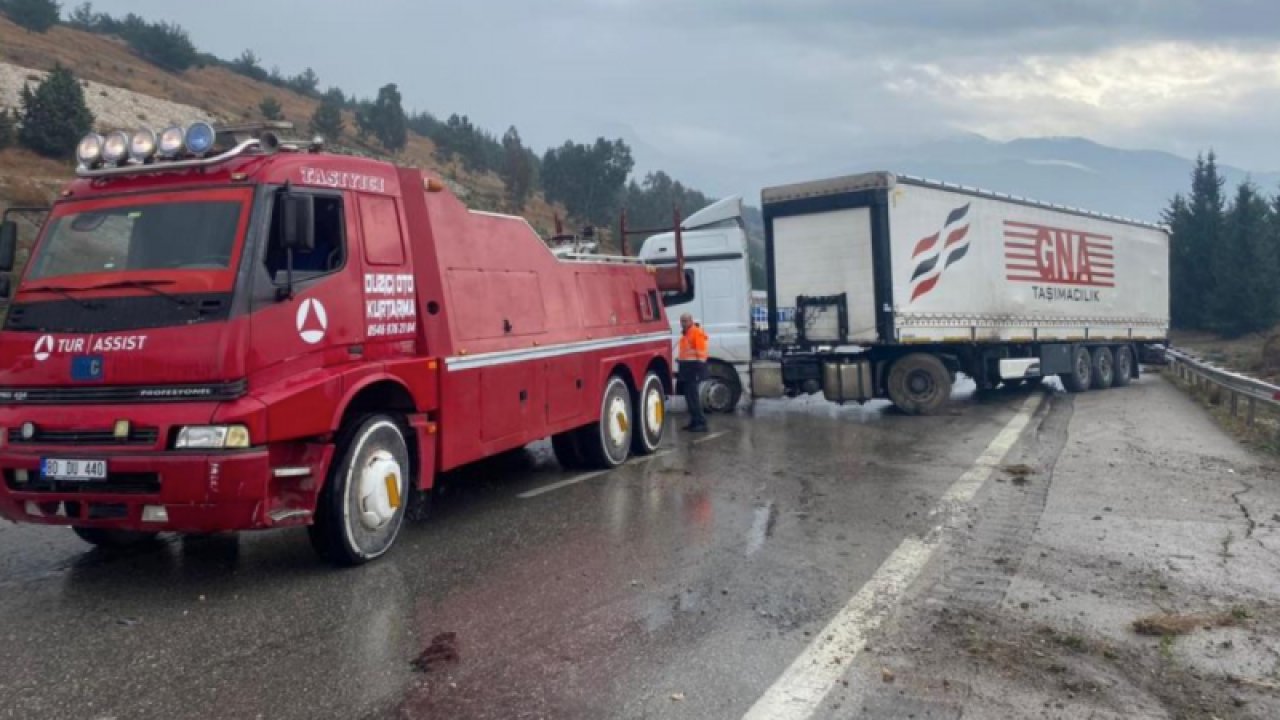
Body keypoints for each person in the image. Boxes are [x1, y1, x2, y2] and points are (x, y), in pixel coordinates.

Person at [677, 313, 710, 432]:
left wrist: (699, 370)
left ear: (691, 321)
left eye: (685, 321)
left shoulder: (696, 332)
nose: (683, 323)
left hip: (694, 369)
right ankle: (694, 421)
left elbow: (702, 352)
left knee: (693, 397)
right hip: (686, 368)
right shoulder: (686, 335)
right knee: (689, 397)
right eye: (682, 321)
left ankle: (701, 422)